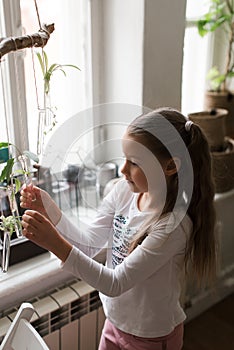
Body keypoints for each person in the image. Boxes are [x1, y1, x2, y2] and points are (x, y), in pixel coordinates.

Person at [20, 107, 217, 350]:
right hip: (114, 323)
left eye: (134, 163)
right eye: (124, 158)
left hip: (151, 338)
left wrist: (54, 243)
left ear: (169, 167)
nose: (123, 170)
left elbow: (115, 283)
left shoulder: (173, 226)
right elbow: (89, 243)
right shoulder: (123, 191)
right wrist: (48, 208)